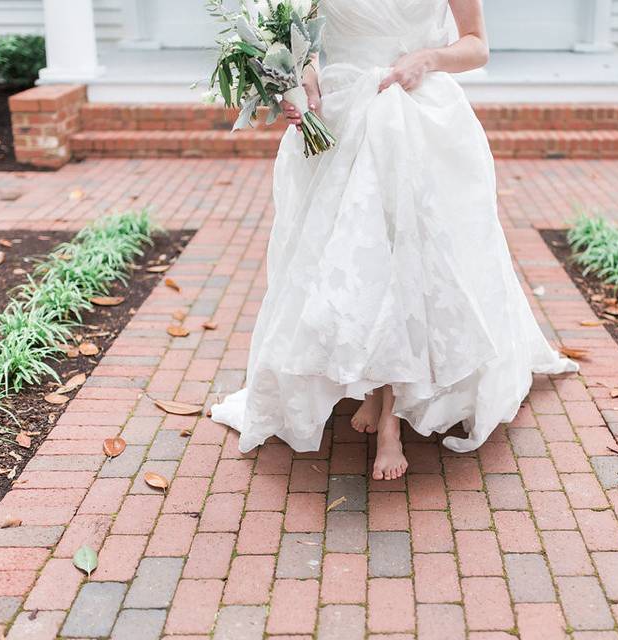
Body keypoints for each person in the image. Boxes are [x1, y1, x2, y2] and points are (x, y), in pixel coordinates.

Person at [211, 0, 578, 481]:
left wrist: (426, 59)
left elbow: (476, 46)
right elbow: (302, 40)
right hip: (343, 115)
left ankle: (391, 418)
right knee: (357, 258)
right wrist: (303, 79)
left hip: (418, 117)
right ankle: (371, 389)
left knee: (409, 257)